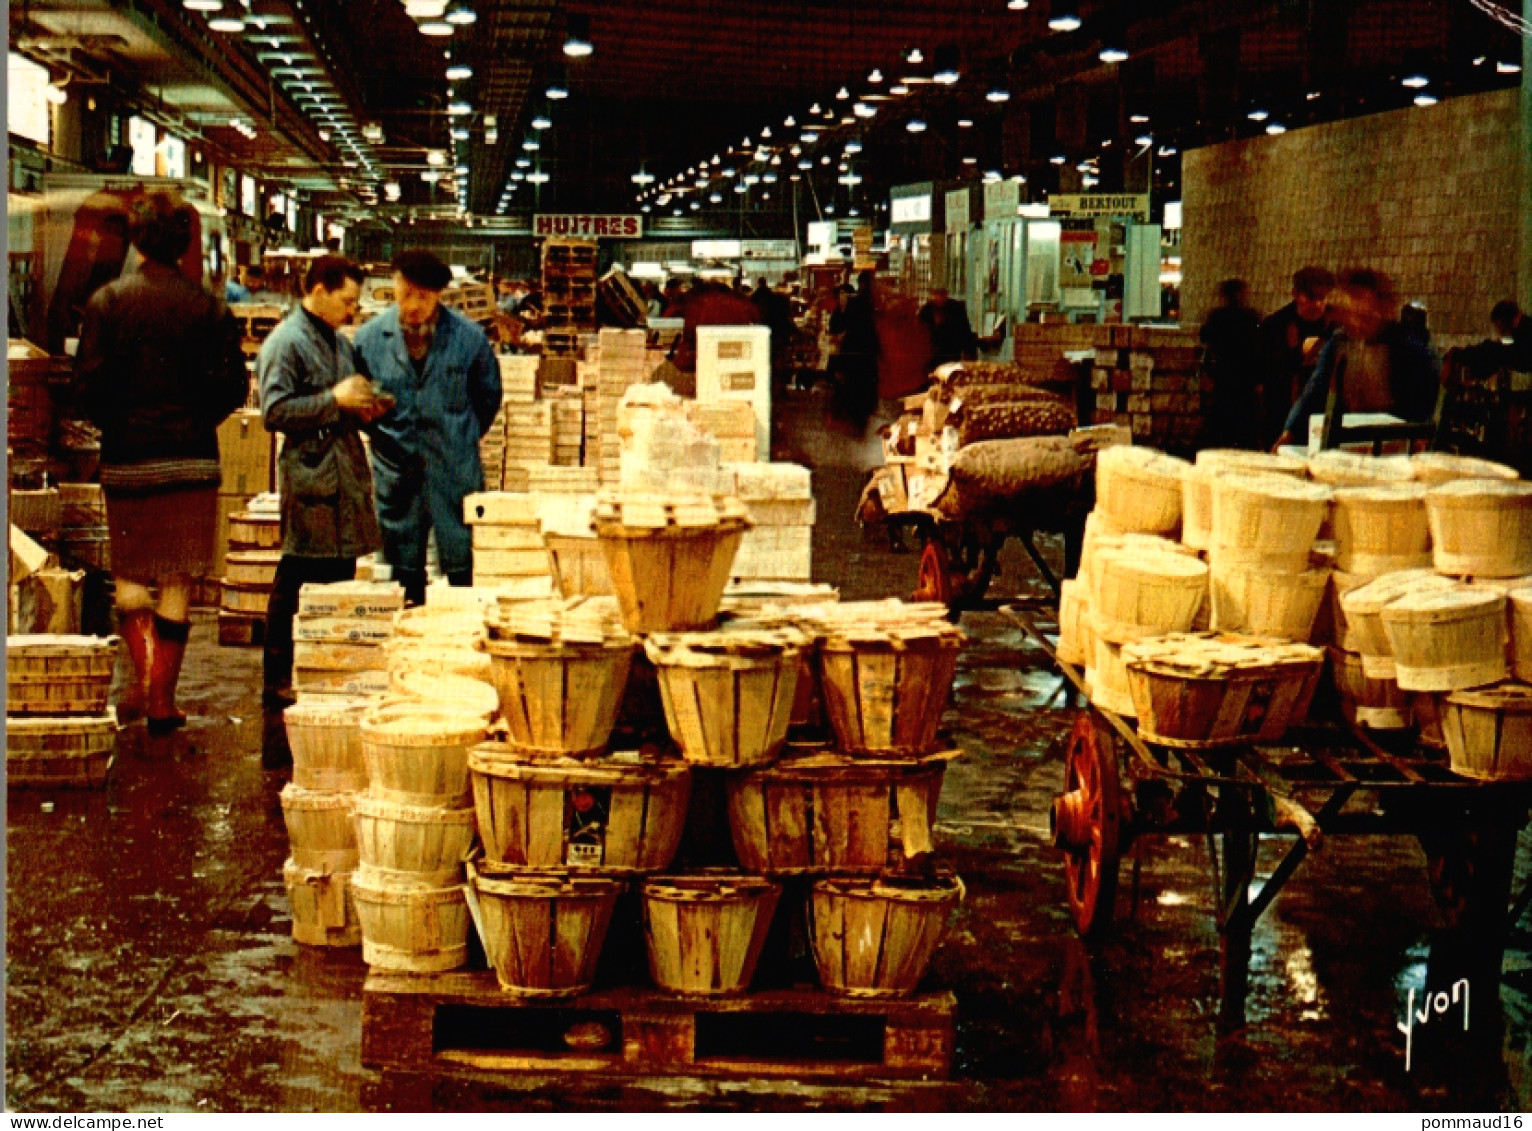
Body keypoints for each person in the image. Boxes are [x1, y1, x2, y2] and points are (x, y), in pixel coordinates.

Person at [73, 191, 249, 735]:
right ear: (186, 243)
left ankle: (145, 682)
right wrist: (195, 420)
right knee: (176, 580)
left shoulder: (107, 302)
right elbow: (234, 386)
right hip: (193, 460)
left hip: (128, 460)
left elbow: (86, 388)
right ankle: (160, 699)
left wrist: (119, 425)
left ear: (136, 240)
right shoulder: (210, 307)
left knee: (129, 578)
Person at [257, 255, 385, 714]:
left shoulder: (336, 342)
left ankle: (325, 675)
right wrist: (333, 399)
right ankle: (277, 682)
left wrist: (366, 407)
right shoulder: (286, 343)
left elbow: (343, 400)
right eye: (347, 301)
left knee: (338, 583)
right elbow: (273, 412)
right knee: (296, 580)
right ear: (320, 290)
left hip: (343, 477)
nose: (353, 311)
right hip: (311, 479)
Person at [351, 249, 502, 605]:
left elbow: (488, 396)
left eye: (424, 296)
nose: (414, 305)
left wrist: (459, 435)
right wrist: (387, 437)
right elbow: (359, 399)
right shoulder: (369, 340)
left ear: (439, 295)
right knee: (400, 572)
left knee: (463, 566)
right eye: (407, 294)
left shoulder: (469, 340)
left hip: (454, 468)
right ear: (394, 286)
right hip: (396, 470)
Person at [1275, 267, 1439, 451]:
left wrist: (1419, 438)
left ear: (1382, 309)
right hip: (1346, 439)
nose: (1357, 322)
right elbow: (1315, 391)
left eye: (1365, 314)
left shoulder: (1409, 349)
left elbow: (1425, 399)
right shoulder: (1339, 343)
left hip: (1393, 442)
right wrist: (1289, 432)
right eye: (1352, 312)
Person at [1257, 266, 1332, 448]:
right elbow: (1265, 373)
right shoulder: (1275, 326)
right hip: (1282, 416)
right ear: (1296, 294)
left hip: (1323, 417)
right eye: (1312, 298)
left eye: (1323, 298)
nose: (1318, 305)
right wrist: (1299, 354)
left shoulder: (1335, 326)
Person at [1200, 278, 1264, 450]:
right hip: (1246, 379)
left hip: (1224, 376)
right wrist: (1259, 380)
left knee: (1221, 422)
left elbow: (1206, 340)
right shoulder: (1252, 317)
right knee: (1245, 425)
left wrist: (1207, 374)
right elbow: (1259, 350)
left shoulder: (1217, 317)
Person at [827, 271, 881, 436]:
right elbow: (875, 344)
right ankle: (860, 425)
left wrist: (837, 369)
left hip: (854, 367)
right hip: (866, 367)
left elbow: (845, 349)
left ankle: (855, 426)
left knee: (853, 395)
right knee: (862, 397)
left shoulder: (852, 329)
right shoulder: (866, 317)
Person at [918, 287, 977, 368]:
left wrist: (969, 352)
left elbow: (965, 330)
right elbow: (920, 333)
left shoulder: (956, 308)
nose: (939, 298)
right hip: (932, 353)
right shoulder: (926, 310)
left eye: (942, 294)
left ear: (946, 295)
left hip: (952, 351)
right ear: (932, 295)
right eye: (937, 294)